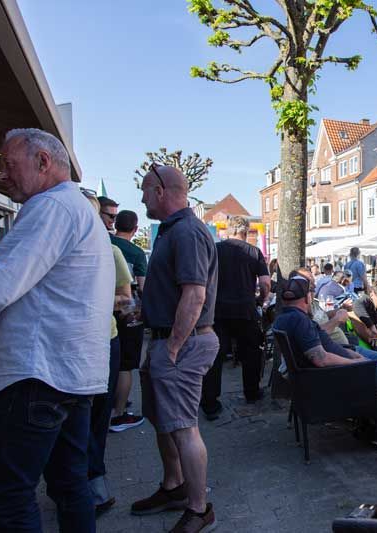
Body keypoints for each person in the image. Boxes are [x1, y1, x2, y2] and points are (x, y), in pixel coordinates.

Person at [0, 129, 114, 532]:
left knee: (7, 497)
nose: (1, 176)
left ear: (43, 161)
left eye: (8, 165)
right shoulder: (78, 210)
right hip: (71, 376)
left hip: (38, 374)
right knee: (70, 485)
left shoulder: (51, 208)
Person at [132, 164, 220, 532]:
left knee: (184, 427)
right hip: (170, 340)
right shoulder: (174, 231)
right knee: (164, 422)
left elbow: (195, 294)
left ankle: (199, 510)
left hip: (183, 343)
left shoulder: (186, 231)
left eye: (145, 190)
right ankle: (175, 486)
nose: (140, 198)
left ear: (161, 191)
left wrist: (172, 347)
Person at [273, 273, 377, 446]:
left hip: (337, 372)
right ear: (307, 298)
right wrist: (356, 362)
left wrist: (352, 355)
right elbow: (321, 359)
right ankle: (371, 425)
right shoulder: (299, 320)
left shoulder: (285, 318)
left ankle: (372, 423)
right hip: (341, 376)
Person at [82, 191, 134, 513]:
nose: (111, 223)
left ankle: (94, 479)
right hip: (70, 347)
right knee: (77, 416)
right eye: (108, 217)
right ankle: (83, 480)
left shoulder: (111, 252)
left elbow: (126, 300)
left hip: (104, 341)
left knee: (97, 415)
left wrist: (92, 304)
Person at [203, 215, 270, 417]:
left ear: (229, 230)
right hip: (245, 309)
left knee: (215, 356)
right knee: (251, 353)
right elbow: (265, 283)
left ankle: (210, 402)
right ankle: (251, 392)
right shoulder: (254, 252)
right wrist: (260, 299)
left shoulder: (215, 249)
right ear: (246, 231)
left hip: (219, 310)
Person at [110, 209, 149, 432]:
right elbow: (142, 287)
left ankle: (109, 403)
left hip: (103, 309)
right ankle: (120, 413)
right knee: (126, 364)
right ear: (135, 229)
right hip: (127, 310)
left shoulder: (104, 242)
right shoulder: (135, 252)